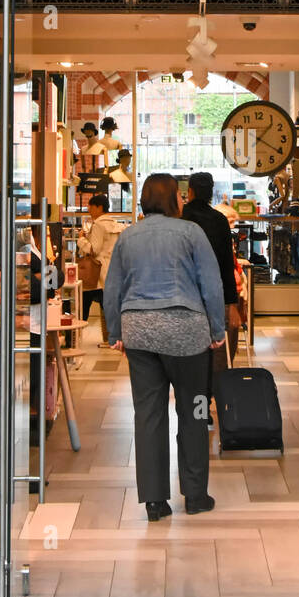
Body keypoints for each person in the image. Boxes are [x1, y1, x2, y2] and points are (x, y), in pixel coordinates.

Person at [103, 173, 225, 521]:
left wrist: (115, 332)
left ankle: (155, 501)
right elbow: (211, 284)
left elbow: (112, 289)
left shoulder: (128, 236)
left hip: (140, 334)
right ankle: (196, 494)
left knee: (149, 412)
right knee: (196, 409)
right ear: (176, 199)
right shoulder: (191, 233)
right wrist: (216, 329)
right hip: (187, 332)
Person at [182, 171, 241, 368]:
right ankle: (216, 389)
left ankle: (196, 392)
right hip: (216, 294)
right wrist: (232, 303)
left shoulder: (179, 217)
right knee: (218, 351)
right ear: (210, 193)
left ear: (190, 192)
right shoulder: (219, 220)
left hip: (185, 295)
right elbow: (227, 263)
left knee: (190, 351)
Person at [77, 192, 121, 347]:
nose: (89, 208)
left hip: (95, 272)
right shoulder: (116, 224)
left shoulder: (98, 225)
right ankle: (111, 338)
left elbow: (93, 249)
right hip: (111, 270)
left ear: (99, 207)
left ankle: (75, 337)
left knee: (84, 302)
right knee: (107, 306)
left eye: (91, 205)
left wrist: (81, 239)